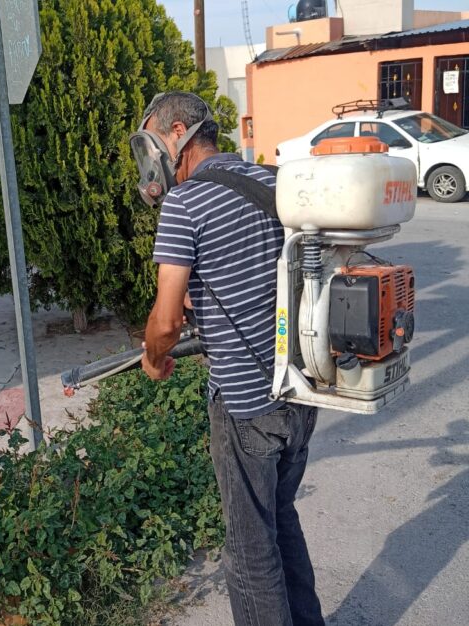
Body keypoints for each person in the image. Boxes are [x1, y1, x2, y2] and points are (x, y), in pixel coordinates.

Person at [129, 91, 324, 626]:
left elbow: (165, 322)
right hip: (303, 394)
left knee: (248, 550)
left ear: (175, 134)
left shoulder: (184, 204)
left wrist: (155, 356)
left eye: (150, 141)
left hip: (244, 404)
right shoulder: (273, 182)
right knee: (281, 521)